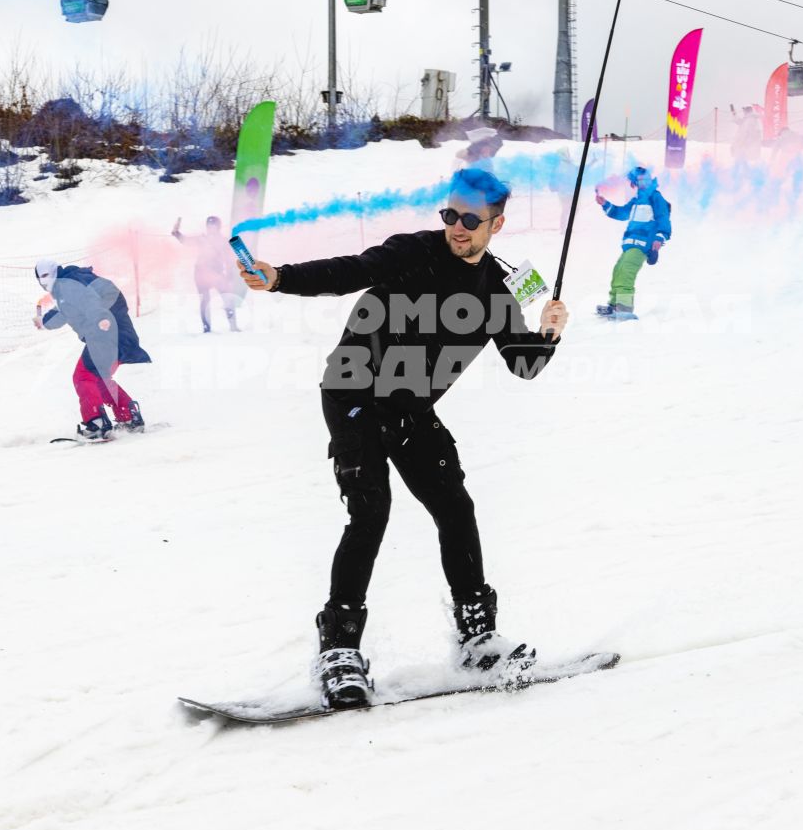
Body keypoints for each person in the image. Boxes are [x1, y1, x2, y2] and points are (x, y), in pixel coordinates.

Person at [238, 168, 569, 710]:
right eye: (449, 216)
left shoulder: (499, 288)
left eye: (469, 220)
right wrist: (280, 277)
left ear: (497, 224)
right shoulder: (414, 251)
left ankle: (478, 638)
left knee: (455, 509)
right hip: (354, 392)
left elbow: (523, 365)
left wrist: (549, 334)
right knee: (371, 511)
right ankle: (340, 651)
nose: (456, 229)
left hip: (409, 407)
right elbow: (350, 271)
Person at [34, 259, 151, 440]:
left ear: (55, 271)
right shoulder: (67, 287)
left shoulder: (69, 286)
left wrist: (101, 318)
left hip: (107, 333)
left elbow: (91, 301)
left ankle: (96, 422)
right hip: (116, 335)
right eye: (39, 278)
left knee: (83, 376)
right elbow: (62, 313)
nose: (43, 282)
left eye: (46, 276)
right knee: (98, 379)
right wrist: (43, 321)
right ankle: (129, 418)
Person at [594, 164, 673, 319]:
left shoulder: (656, 198)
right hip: (630, 244)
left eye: (646, 179)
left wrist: (659, 238)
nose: (643, 183)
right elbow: (622, 213)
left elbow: (663, 219)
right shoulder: (636, 201)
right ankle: (614, 304)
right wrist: (605, 204)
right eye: (639, 181)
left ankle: (624, 307)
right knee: (618, 270)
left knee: (626, 272)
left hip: (643, 244)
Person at [171, 215, 241, 332]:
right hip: (201, 273)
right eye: (209, 225)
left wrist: (229, 273)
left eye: (213, 225)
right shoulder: (201, 239)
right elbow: (186, 241)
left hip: (217, 273)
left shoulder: (223, 240)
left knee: (228, 297)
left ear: (218, 227)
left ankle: (233, 326)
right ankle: (207, 328)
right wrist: (176, 232)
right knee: (205, 300)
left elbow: (228, 258)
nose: (210, 228)